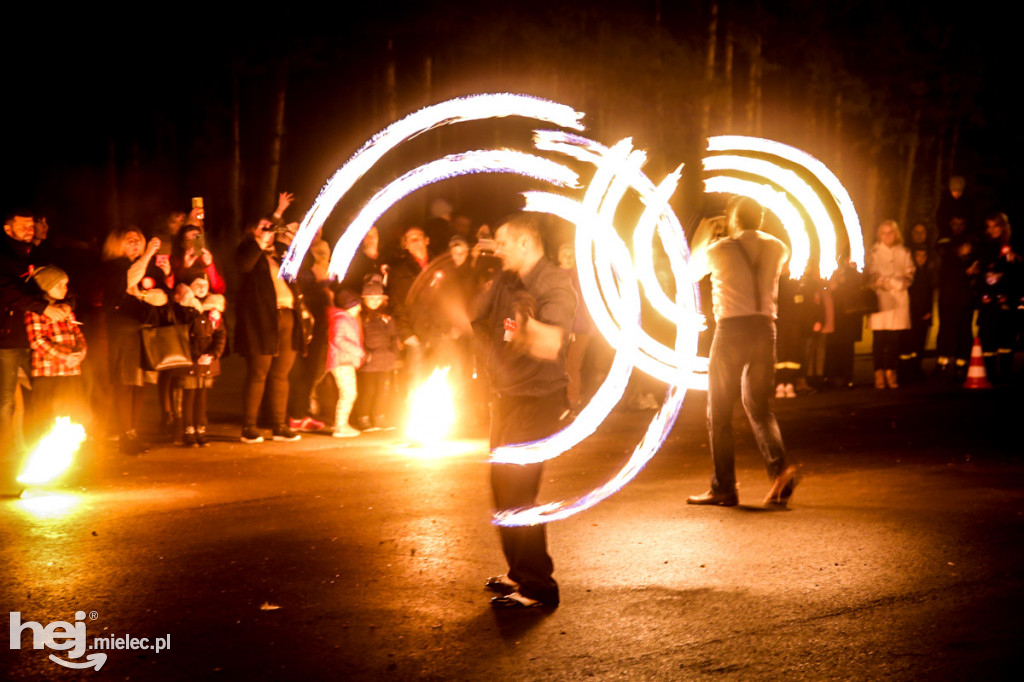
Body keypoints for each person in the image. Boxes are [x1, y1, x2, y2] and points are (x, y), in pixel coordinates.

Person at [472, 212, 576, 609]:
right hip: (509, 395)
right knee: (501, 485)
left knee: (517, 487)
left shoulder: (554, 283)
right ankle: (518, 571)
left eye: (502, 242)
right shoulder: (508, 279)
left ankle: (538, 586)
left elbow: (551, 343)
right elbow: (480, 320)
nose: (496, 249)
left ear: (525, 243)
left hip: (539, 398)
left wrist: (526, 326)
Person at [687, 196, 799, 508]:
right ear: (760, 219)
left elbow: (691, 272)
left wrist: (705, 233)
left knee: (719, 412)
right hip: (765, 329)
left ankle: (723, 487)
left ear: (734, 218)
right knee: (760, 408)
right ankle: (779, 472)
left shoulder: (718, 249)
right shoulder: (779, 247)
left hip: (731, 331)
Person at [234, 217, 307, 443]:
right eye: (262, 226)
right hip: (261, 320)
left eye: (270, 227)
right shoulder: (248, 252)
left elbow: (303, 268)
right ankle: (249, 426)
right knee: (258, 373)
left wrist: (294, 243)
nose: (268, 230)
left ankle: (279, 425)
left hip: (288, 315)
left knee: (281, 374)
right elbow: (243, 266)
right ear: (251, 230)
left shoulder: (278, 253)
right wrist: (260, 243)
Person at [101, 227, 169, 455]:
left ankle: (134, 433)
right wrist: (148, 253)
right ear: (117, 244)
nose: (135, 244)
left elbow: (162, 297)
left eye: (139, 240)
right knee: (125, 383)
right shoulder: (114, 266)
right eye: (129, 240)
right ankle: (124, 434)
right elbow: (129, 278)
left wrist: (146, 295)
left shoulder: (150, 268)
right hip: (123, 328)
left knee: (142, 384)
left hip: (146, 328)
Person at [24, 265, 87, 445]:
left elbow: (78, 334)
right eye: (59, 285)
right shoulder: (37, 312)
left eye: (66, 285)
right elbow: (37, 341)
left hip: (70, 372)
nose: (64, 289)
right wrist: (65, 356)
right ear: (45, 287)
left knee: (71, 412)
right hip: (47, 374)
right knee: (44, 416)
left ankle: (69, 453)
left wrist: (80, 352)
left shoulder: (67, 310)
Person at [172, 275, 226, 447]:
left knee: (202, 394)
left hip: (207, 361)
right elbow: (181, 334)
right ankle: (188, 429)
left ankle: (201, 428)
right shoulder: (183, 309)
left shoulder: (214, 309)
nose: (202, 287)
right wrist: (195, 356)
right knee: (189, 395)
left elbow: (220, 335)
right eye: (197, 284)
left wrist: (212, 354)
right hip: (190, 360)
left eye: (205, 284)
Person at [867, 220, 914, 389]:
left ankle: (891, 372)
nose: (887, 236)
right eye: (884, 233)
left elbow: (909, 274)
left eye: (890, 232)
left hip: (899, 301)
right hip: (881, 301)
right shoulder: (874, 252)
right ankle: (878, 373)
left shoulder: (904, 252)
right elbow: (871, 276)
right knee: (879, 339)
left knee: (894, 340)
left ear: (896, 234)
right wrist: (887, 282)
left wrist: (896, 283)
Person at [975, 212, 1020, 382]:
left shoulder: (1011, 247)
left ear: (1003, 227)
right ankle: (990, 375)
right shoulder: (984, 247)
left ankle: (1006, 373)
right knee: (988, 340)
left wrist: (1008, 296)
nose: (993, 230)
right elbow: (981, 276)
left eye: (996, 226)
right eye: (990, 226)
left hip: (1006, 304)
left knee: (1006, 341)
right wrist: (982, 296)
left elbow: (1015, 276)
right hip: (988, 304)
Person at [354, 275, 400, 431]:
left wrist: (395, 351)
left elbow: (394, 336)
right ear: (364, 299)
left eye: (377, 298)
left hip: (386, 360)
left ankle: (379, 416)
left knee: (383, 390)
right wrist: (365, 354)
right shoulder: (360, 316)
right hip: (368, 362)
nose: (374, 301)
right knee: (368, 390)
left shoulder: (386, 317)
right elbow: (358, 337)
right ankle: (363, 417)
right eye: (370, 297)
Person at [326, 288, 365, 438]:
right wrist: (358, 351)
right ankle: (340, 427)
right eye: (357, 304)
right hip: (342, 361)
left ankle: (342, 424)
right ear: (350, 305)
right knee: (348, 393)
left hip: (345, 359)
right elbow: (337, 339)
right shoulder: (341, 319)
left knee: (348, 393)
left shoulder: (346, 318)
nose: (360, 308)